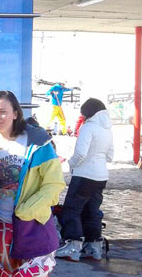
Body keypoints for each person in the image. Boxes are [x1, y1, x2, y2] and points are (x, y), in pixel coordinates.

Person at [0, 90, 65, 277]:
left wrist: (27, 210)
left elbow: (54, 184)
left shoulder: (37, 143)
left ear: (16, 113)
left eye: (3, 111)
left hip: (30, 225)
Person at [55, 98, 113, 262]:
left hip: (84, 176)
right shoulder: (107, 129)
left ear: (88, 112)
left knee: (72, 210)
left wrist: (71, 164)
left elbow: (80, 153)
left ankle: (72, 246)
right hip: (102, 177)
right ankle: (93, 246)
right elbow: (110, 155)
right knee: (92, 211)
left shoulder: (88, 127)